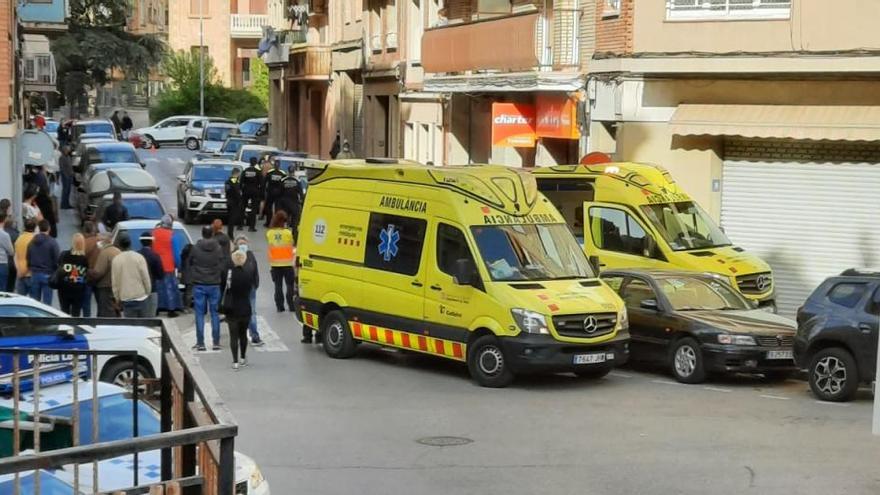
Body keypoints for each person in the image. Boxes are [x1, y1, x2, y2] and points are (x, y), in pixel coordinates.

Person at [188, 226, 225, 351]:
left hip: (199, 283)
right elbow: (222, 263)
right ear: (212, 234)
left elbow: (190, 261)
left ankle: (200, 342)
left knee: (199, 314)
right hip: (214, 283)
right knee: (215, 313)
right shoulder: (218, 248)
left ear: (202, 234)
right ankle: (216, 342)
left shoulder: (196, 248)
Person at [225, 250, 255, 370]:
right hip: (245, 307)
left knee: (233, 336)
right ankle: (243, 357)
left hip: (232, 307)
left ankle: (235, 361)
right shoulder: (248, 274)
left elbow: (226, 289)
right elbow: (250, 288)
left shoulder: (229, 275)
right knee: (243, 335)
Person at [111, 232, 152, 317]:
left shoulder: (116, 260)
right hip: (141, 296)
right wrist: (148, 292)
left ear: (119, 245)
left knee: (131, 327)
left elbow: (115, 282)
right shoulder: (139, 257)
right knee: (145, 327)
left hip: (126, 299)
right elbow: (145, 278)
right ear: (130, 243)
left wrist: (117, 298)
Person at [234, 235, 263, 346]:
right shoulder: (235, 256)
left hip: (250, 287)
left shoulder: (250, 255)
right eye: (241, 244)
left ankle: (254, 335)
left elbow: (255, 271)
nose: (243, 246)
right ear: (237, 245)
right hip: (239, 288)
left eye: (244, 244)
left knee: (252, 312)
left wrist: (255, 284)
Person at [266, 211, 297, 317]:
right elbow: (292, 243)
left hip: (275, 264)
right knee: (290, 285)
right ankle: (291, 305)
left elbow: (270, 243)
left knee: (278, 286)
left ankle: (280, 306)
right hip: (287, 263)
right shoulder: (287, 233)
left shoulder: (270, 233)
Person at [153, 214, 184, 316]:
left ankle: (156, 307)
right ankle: (171, 309)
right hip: (168, 264)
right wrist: (179, 266)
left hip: (156, 264)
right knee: (170, 287)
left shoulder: (154, 233)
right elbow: (176, 253)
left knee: (157, 287)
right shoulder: (172, 235)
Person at [26, 219, 59, 305]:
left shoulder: (31, 242)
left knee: (34, 304)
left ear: (39, 228)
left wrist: (31, 268)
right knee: (47, 305)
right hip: (48, 275)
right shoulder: (52, 242)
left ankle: (34, 318)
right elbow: (57, 259)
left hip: (34, 274)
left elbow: (28, 258)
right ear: (49, 228)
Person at [89, 234, 121, 317]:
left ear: (105, 241)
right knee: (114, 309)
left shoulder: (105, 253)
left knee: (106, 312)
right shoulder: (117, 251)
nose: (98, 242)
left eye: (99, 240)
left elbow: (99, 272)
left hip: (105, 286)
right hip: (116, 285)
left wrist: (89, 273)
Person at [57, 233, 89, 316]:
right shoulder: (84, 259)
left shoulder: (64, 255)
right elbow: (86, 274)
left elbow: (58, 268)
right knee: (76, 314)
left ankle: (65, 328)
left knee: (64, 313)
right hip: (78, 290)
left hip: (64, 289)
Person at [138, 231, 164, 317]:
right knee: (151, 316)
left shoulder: (137, 255)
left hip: (138, 291)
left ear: (141, 242)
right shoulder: (155, 256)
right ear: (151, 242)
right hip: (152, 289)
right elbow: (160, 274)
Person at [278, 165, 304, 242]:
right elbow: (301, 193)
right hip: (294, 204)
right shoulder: (297, 181)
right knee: (295, 223)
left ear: (288, 171)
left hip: (284, 204)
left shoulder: (283, 180)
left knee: (283, 222)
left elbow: (279, 193)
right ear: (294, 172)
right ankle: (295, 239)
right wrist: (302, 202)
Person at [81, 221, 100, 317]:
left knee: (86, 303)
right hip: (99, 275)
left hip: (86, 275)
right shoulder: (101, 241)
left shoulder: (82, 243)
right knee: (100, 302)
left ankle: (87, 322)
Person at [240, 157, 263, 232]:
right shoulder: (258, 171)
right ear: (256, 163)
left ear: (250, 162)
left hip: (245, 191)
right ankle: (251, 227)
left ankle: (240, 225)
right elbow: (261, 183)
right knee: (254, 209)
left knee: (242, 208)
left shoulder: (245, 171)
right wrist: (260, 193)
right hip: (255, 191)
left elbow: (241, 182)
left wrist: (241, 190)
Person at [13, 219, 36, 296]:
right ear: (35, 227)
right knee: (34, 303)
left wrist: (19, 270)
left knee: (20, 301)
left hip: (20, 274)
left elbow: (15, 256)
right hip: (32, 274)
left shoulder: (19, 239)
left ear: (24, 227)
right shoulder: (36, 240)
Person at [263, 159, 286, 228]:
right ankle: (277, 223)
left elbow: (264, 182)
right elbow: (284, 184)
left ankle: (268, 222)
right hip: (279, 194)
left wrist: (265, 190)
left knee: (268, 208)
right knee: (277, 209)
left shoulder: (270, 172)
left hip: (270, 193)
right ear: (279, 166)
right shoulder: (283, 173)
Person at [34, 171, 57, 238]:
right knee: (50, 218)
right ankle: (52, 233)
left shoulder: (38, 176)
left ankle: (50, 233)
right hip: (45, 200)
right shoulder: (42, 175)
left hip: (43, 200)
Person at [225, 168, 242, 239]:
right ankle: (230, 235)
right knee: (232, 219)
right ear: (237, 173)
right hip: (234, 202)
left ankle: (229, 233)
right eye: (239, 174)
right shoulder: (234, 181)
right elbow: (237, 192)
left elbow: (227, 191)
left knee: (230, 219)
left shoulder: (227, 181)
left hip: (229, 201)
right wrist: (240, 199)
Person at [58, 145, 74, 210]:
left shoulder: (68, 157)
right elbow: (62, 168)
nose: (68, 151)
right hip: (66, 177)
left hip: (70, 176)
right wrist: (66, 176)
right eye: (67, 150)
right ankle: (63, 204)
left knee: (68, 191)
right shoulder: (62, 158)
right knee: (65, 191)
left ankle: (67, 203)